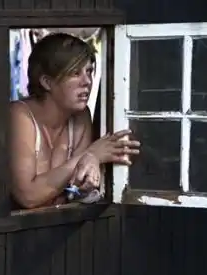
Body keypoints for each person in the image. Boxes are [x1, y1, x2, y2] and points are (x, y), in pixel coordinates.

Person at [10, 32, 140, 209]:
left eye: (89, 71)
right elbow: (28, 196)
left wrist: (88, 170)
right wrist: (90, 154)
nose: (87, 81)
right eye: (75, 73)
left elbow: (74, 188)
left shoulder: (80, 116)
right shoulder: (20, 116)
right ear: (47, 82)